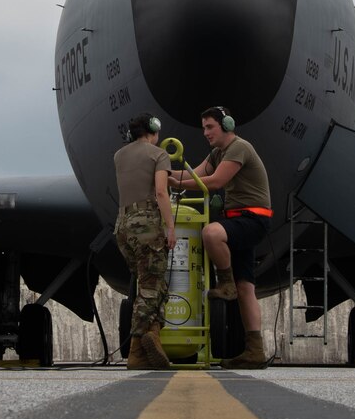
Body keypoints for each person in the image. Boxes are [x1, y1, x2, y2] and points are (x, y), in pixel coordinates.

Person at [170, 105, 271, 368]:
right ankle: (255, 350)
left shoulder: (239, 147)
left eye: (210, 127)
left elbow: (214, 182)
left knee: (211, 233)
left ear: (227, 125)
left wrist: (178, 185)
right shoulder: (218, 153)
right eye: (204, 127)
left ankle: (224, 282)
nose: (205, 132)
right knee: (246, 288)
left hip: (253, 218)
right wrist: (164, 174)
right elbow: (195, 173)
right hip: (237, 220)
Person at [113, 112, 176, 369]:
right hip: (147, 224)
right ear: (153, 129)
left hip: (123, 226)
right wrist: (170, 227)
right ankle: (137, 350)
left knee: (150, 285)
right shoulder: (158, 154)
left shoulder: (119, 155)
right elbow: (161, 192)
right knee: (151, 288)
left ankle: (152, 339)